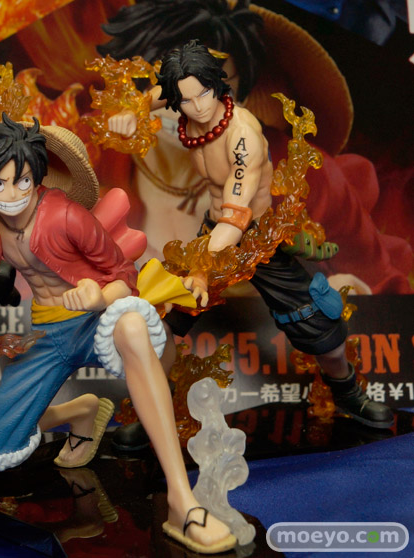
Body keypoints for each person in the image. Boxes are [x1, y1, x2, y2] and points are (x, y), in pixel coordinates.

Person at [0, 115, 236, 553]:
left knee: (132, 325)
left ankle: (182, 501)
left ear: (36, 176)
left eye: (22, 181)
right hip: (48, 335)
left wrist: (97, 296)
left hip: (96, 321)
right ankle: (80, 412)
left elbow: (125, 277)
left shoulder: (66, 215)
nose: (12, 194)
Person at [108, 40, 393, 430]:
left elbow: (236, 217)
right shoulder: (185, 98)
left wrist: (201, 268)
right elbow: (165, 90)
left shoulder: (243, 135)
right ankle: (156, 413)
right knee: (164, 320)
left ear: (218, 84)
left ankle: (347, 391)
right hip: (213, 231)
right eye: (186, 100)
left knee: (320, 329)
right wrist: (134, 110)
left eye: (204, 94)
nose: (198, 107)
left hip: (256, 238)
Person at [95, 0, 412, 294]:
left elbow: (384, 286)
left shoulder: (264, 151)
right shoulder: (92, 157)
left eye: (216, 89)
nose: (190, 109)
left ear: (240, 94)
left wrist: (357, 295)